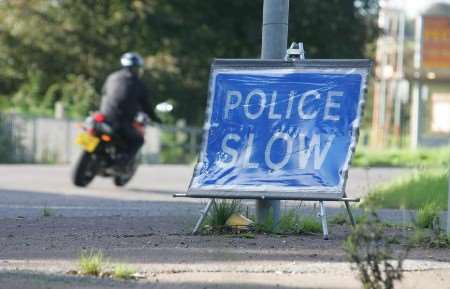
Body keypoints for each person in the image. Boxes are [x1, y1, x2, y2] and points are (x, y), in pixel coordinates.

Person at [100, 52, 161, 166]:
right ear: (136, 68)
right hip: (121, 122)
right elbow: (146, 105)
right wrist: (155, 118)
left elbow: (104, 92)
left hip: (104, 116)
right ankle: (120, 163)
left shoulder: (112, 77)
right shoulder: (138, 84)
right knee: (138, 140)